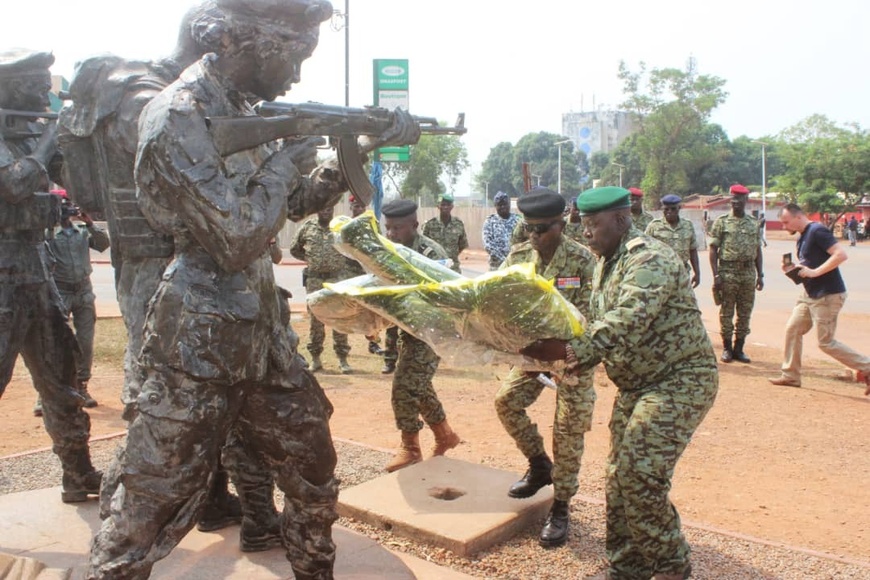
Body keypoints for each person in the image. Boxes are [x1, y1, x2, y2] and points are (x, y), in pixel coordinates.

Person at [86, 0, 421, 577]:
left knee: (314, 470)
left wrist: (357, 149)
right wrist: (288, 161)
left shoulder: (248, 110)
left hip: (263, 336)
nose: (296, 72)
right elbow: (236, 238)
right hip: (197, 340)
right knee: (151, 504)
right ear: (246, 42)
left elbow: (288, 206)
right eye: (292, 55)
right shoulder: (177, 115)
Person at [58, 2, 281, 547]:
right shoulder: (155, 99)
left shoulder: (154, 93)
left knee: (212, 386)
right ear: (220, 42)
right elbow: (202, 178)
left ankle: (221, 503)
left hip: (165, 262)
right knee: (171, 397)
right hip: (169, 264)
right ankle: (129, 533)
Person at [521, 186, 718, 580]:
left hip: (679, 380)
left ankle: (671, 567)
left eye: (594, 224)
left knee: (639, 474)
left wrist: (568, 352)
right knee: (617, 477)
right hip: (638, 385)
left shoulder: (648, 258)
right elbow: (593, 324)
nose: (586, 233)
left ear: (622, 220)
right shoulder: (607, 262)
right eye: (583, 224)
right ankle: (626, 566)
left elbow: (625, 320)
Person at [0, 48, 102, 504]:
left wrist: (76, 145)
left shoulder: (27, 134)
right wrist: (49, 139)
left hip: (36, 270)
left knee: (62, 380)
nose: (46, 89)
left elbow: (84, 193)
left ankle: (79, 476)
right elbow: (16, 185)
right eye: (35, 81)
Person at [494, 187, 596, 548]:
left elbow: (594, 320)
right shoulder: (519, 258)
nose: (534, 236)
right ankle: (539, 465)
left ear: (562, 223)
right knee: (506, 402)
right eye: (529, 228)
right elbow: (498, 303)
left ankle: (561, 506)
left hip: (573, 358)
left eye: (542, 229)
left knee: (568, 432)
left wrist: (564, 354)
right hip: (532, 356)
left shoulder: (585, 262)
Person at [380, 198, 461, 472]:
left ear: (414, 225)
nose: (391, 234)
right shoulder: (390, 249)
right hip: (410, 330)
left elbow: (453, 290)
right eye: (388, 228)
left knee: (403, 386)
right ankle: (445, 435)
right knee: (420, 386)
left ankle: (410, 448)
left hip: (434, 332)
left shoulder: (430, 253)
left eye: (397, 228)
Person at [768, 204, 870, 393]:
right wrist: (794, 270)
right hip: (809, 295)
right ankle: (790, 375)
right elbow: (811, 262)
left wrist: (815, 272)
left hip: (827, 295)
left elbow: (840, 254)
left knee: (826, 342)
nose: (784, 226)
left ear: (798, 217)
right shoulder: (803, 236)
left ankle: (867, 367)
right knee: (793, 329)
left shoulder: (817, 231)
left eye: (785, 222)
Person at [35, 194, 110, 415]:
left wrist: (89, 221)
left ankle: (82, 386)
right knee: (54, 343)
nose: (68, 210)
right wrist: (50, 223)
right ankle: (45, 393)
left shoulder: (82, 233)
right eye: (62, 206)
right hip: (60, 291)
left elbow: (103, 244)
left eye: (69, 205)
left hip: (83, 292)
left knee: (85, 342)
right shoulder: (49, 234)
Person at [290, 205, 353, 374]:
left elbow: (351, 247)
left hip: (336, 279)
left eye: (329, 209)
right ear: (317, 210)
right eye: (323, 208)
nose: (326, 211)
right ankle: (316, 358)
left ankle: (342, 358)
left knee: (339, 317)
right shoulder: (308, 227)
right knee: (316, 319)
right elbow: (294, 249)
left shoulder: (340, 227)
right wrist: (310, 258)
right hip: (315, 279)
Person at [709, 184, 764, 364]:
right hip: (728, 271)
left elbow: (757, 250)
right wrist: (716, 275)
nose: (736, 203)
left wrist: (760, 275)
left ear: (746, 201)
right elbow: (713, 249)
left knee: (745, 312)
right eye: (733, 199)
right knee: (726, 312)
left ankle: (739, 348)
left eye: (739, 200)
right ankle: (727, 348)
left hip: (748, 272)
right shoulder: (722, 222)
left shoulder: (753, 224)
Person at [345, 195, 386, 356]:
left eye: (361, 207)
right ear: (351, 207)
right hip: (349, 271)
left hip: (367, 270)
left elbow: (379, 243)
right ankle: (342, 347)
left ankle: (374, 343)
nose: (359, 209)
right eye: (355, 206)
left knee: (371, 309)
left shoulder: (372, 224)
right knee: (348, 309)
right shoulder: (345, 225)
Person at [645, 194, 701, 288]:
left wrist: (697, 273)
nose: (669, 212)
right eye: (666, 209)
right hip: (660, 274)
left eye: (673, 209)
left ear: (679, 208)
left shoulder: (688, 226)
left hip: (682, 274)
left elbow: (692, 250)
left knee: (684, 302)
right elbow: (644, 251)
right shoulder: (654, 226)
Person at [422, 193, 468, 274]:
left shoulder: (458, 224)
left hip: (453, 268)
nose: (445, 207)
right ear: (438, 206)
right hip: (435, 267)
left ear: (452, 206)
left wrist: (451, 254)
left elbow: (462, 244)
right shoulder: (430, 224)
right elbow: (423, 244)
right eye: (443, 205)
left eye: (448, 205)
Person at [482, 191, 520, 270]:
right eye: (499, 205)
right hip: (497, 267)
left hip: (516, 266)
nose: (503, 207)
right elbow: (488, 245)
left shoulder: (518, 220)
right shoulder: (490, 221)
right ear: (495, 206)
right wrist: (505, 261)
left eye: (505, 204)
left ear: (509, 204)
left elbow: (523, 241)